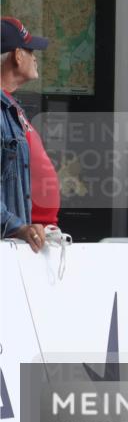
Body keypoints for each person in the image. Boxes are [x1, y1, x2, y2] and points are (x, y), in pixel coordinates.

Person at [1, 17, 51, 251]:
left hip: (24, 245)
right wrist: (18, 227)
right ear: (17, 56)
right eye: (31, 51)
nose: (35, 57)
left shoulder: (11, 106)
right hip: (11, 247)